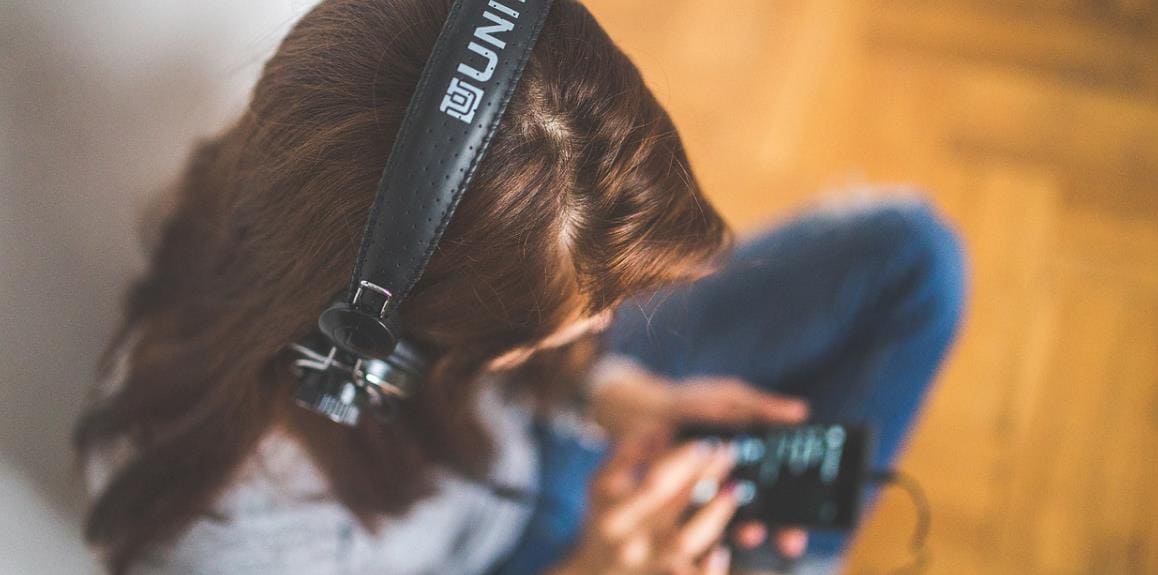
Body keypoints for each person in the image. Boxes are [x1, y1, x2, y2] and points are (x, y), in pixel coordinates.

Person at [75, 0, 965, 574]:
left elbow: (541, 339)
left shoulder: (333, 210)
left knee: (912, 259)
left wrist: (606, 391)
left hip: (528, 434)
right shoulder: (228, 535)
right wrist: (595, 564)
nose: (609, 321)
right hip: (521, 553)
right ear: (380, 351)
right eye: (579, 316)